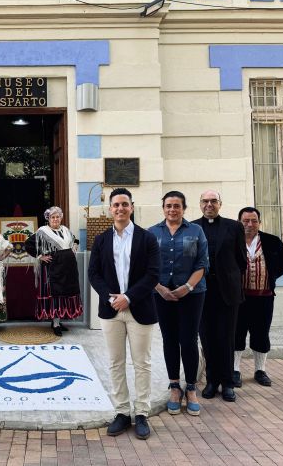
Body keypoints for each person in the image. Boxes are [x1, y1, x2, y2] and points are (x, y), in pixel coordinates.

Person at [88, 188, 160, 439]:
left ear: (131, 207)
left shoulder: (147, 238)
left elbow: (153, 274)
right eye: (116, 205)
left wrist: (128, 297)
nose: (120, 208)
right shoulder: (101, 240)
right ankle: (121, 412)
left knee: (142, 363)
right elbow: (93, 274)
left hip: (139, 308)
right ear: (110, 209)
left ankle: (141, 413)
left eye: (124, 204)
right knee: (115, 363)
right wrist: (112, 297)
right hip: (111, 311)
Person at [149, 191, 208, 416]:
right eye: (168, 206)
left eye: (177, 206)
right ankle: (175, 386)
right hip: (162, 294)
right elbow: (147, 266)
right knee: (170, 340)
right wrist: (160, 288)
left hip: (192, 295)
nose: (172, 210)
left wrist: (187, 288)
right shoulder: (153, 233)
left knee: (189, 340)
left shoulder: (195, 231)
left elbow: (201, 264)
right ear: (163, 208)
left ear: (184, 208)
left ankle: (191, 388)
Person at [192, 190, 246, 402]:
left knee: (226, 338)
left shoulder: (234, 226)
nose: (209, 205)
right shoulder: (193, 228)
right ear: (200, 204)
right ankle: (212, 381)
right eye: (205, 201)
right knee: (207, 338)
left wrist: (228, 276)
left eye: (213, 201)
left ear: (220, 204)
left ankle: (228, 383)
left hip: (227, 293)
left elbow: (242, 260)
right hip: (202, 292)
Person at [233, 207, 283, 388]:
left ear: (259, 222)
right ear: (239, 222)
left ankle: (260, 370)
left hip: (263, 297)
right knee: (237, 333)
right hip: (239, 298)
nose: (250, 224)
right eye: (246, 221)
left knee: (261, 334)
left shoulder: (272, 241)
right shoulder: (233, 241)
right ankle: (235, 370)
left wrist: (270, 276)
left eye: (254, 221)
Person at [24, 206, 83, 336]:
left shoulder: (66, 230)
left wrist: (73, 249)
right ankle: (55, 324)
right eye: (52, 217)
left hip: (68, 268)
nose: (55, 219)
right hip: (53, 269)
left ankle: (58, 321)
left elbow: (75, 240)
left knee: (64, 294)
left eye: (57, 217)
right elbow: (28, 244)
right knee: (55, 294)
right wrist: (41, 256)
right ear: (48, 219)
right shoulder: (43, 231)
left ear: (61, 218)